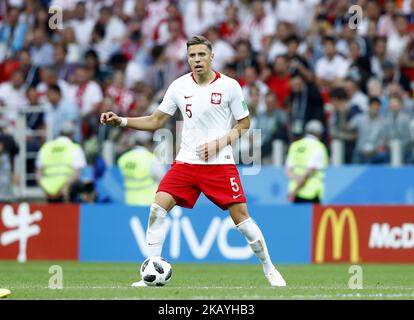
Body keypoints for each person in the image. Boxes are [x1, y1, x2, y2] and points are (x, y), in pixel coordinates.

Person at [101, 35, 286, 287]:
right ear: (187, 58)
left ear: (211, 57)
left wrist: (219, 143)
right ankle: (151, 270)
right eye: (192, 56)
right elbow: (156, 120)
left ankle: (270, 268)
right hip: (186, 163)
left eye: (201, 55)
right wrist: (122, 121)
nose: (196, 60)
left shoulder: (230, 86)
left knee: (242, 220)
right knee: (157, 208)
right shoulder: (178, 86)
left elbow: (244, 123)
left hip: (220, 165)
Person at [35, 121, 86, 202]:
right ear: (72, 134)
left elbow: (38, 173)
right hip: (66, 192)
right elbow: (77, 173)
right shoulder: (75, 148)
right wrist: (65, 187)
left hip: (48, 191)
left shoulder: (46, 147)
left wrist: (45, 190)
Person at [118, 132, 166, 206]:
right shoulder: (151, 158)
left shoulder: (123, 158)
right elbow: (163, 180)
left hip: (129, 201)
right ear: (147, 142)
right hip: (149, 202)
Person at [285, 120, 328, 204]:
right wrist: (296, 189)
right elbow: (309, 172)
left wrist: (294, 190)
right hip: (311, 193)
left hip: (294, 193)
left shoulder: (295, 145)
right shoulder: (319, 147)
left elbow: (288, 171)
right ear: (320, 133)